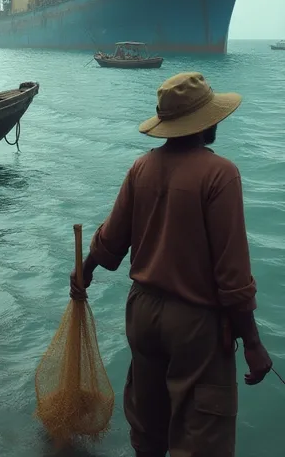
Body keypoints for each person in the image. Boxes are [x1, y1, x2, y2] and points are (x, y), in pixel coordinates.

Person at [70, 72, 272, 457]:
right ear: (207, 121)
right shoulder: (220, 173)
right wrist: (253, 342)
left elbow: (111, 239)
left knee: (148, 431)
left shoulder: (141, 167)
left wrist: (86, 269)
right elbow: (232, 275)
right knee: (200, 440)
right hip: (195, 324)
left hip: (142, 313)